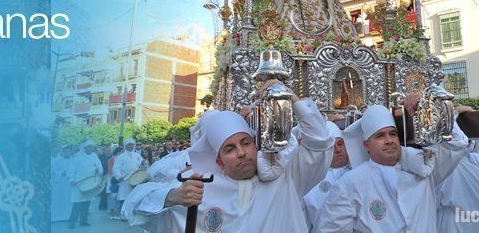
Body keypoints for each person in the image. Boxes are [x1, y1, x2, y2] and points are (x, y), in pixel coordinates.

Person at [122, 80, 333, 232]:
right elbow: (132, 207)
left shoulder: (286, 179)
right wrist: (172, 197)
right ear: (218, 160)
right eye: (229, 149)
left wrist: (291, 97)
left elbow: (320, 142)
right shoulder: (200, 190)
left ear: (256, 146)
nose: (241, 153)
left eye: (246, 143)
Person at [315, 103, 468, 232]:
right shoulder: (350, 183)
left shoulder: (424, 169)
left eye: (393, 134)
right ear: (366, 145)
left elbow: (457, 144)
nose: (389, 140)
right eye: (380, 136)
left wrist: (429, 105)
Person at [436, 108, 479, 232]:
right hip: (455, 223)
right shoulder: (448, 160)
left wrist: (473, 117)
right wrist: (452, 113)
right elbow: (458, 143)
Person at [302, 121, 350, 231]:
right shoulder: (311, 183)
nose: (338, 150)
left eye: (340, 143)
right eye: (332, 146)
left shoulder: (357, 175)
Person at [67, 140, 103, 228]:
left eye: (92, 147)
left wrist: (99, 171)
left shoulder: (94, 156)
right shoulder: (77, 157)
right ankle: (71, 222)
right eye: (88, 147)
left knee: (87, 203)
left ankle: (83, 221)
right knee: (77, 203)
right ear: (84, 148)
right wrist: (71, 179)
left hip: (90, 184)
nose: (90, 149)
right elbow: (71, 169)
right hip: (78, 184)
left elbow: (100, 168)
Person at [113, 138, 143, 218]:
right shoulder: (121, 157)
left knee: (134, 198)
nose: (130, 146)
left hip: (136, 180)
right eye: (128, 145)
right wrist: (118, 176)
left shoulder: (137, 155)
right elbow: (115, 168)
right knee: (124, 198)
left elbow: (142, 165)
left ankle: (132, 214)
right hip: (125, 181)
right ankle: (123, 215)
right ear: (125, 146)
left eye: (132, 145)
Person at [51, 146, 74, 222]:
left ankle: (69, 215)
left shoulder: (74, 161)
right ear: (63, 152)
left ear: (71, 152)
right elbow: (54, 171)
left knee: (69, 199)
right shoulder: (57, 161)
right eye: (65, 151)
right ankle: (59, 216)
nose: (67, 153)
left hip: (70, 184)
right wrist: (61, 173)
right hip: (60, 183)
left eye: (68, 151)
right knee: (60, 198)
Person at [107, 146, 124, 220]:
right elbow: (110, 171)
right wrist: (117, 177)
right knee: (113, 196)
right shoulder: (112, 159)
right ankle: (112, 210)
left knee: (119, 197)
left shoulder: (123, 159)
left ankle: (118, 211)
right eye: (122, 152)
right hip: (114, 180)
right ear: (118, 152)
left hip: (122, 180)